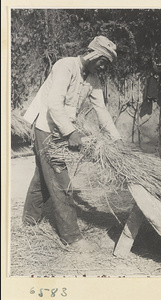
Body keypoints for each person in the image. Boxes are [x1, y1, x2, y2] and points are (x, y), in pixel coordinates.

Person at [23, 36, 123, 253]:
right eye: (102, 60)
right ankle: (72, 238)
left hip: (63, 129)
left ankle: (29, 222)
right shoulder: (65, 66)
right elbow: (53, 104)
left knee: (43, 177)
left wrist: (116, 140)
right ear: (93, 54)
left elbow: (101, 111)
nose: (103, 66)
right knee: (60, 181)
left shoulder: (93, 78)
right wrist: (71, 132)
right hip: (47, 127)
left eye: (107, 63)